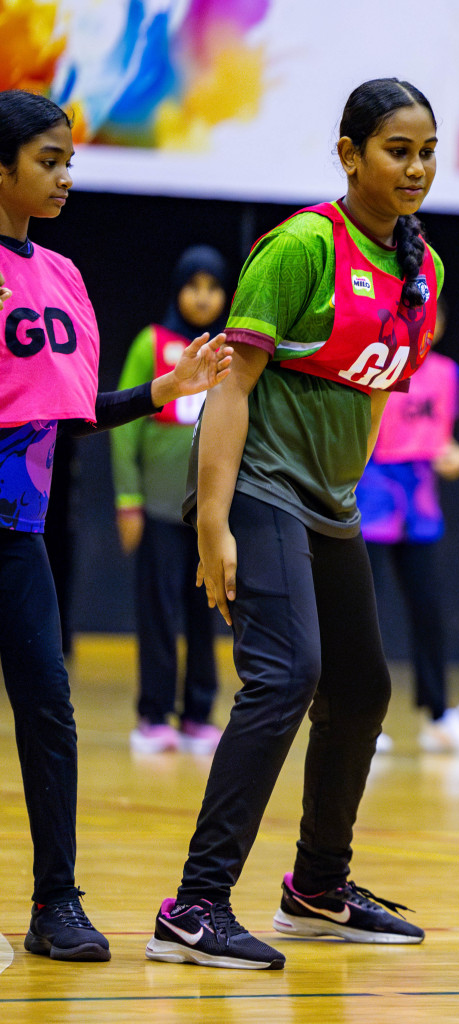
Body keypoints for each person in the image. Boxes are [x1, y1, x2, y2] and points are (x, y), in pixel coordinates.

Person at [148, 78, 443, 971]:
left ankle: (318, 890)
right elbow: (230, 392)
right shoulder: (304, 244)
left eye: (428, 151)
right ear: (350, 153)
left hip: (330, 504)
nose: (417, 167)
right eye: (398, 149)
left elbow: (371, 397)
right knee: (286, 675)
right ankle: (194, 908)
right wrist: (212, 523)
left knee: (360, 691)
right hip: (258, 488)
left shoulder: (422, 271)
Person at [0, 89, 231, 962]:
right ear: (1, 168)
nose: (65, 176)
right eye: (47, 161)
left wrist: (163, 394)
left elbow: (71, 411)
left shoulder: (62, 276)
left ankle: (56, 904)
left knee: (49, 713)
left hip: (20, 531)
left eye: (69, 161)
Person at [357, 300, 459, 754]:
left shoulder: (446, 373)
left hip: (420, 508)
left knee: (429, 611)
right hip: (373, 500)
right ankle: (360, 718)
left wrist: (454, 456)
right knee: (363, 616)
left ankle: (437, 715)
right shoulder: (378, 366)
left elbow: (441, 438)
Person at [114, 245, 229, 755]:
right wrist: (128, 499)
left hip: (207, 514)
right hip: (159, 509)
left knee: (207, 610)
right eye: (193, 285)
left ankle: (199, 714)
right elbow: (123, 430)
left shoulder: (231, 351)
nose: (202, 297)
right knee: (158, 611)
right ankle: (153, 715)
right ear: (177, 289)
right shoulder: (151, 343)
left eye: (212, 287)